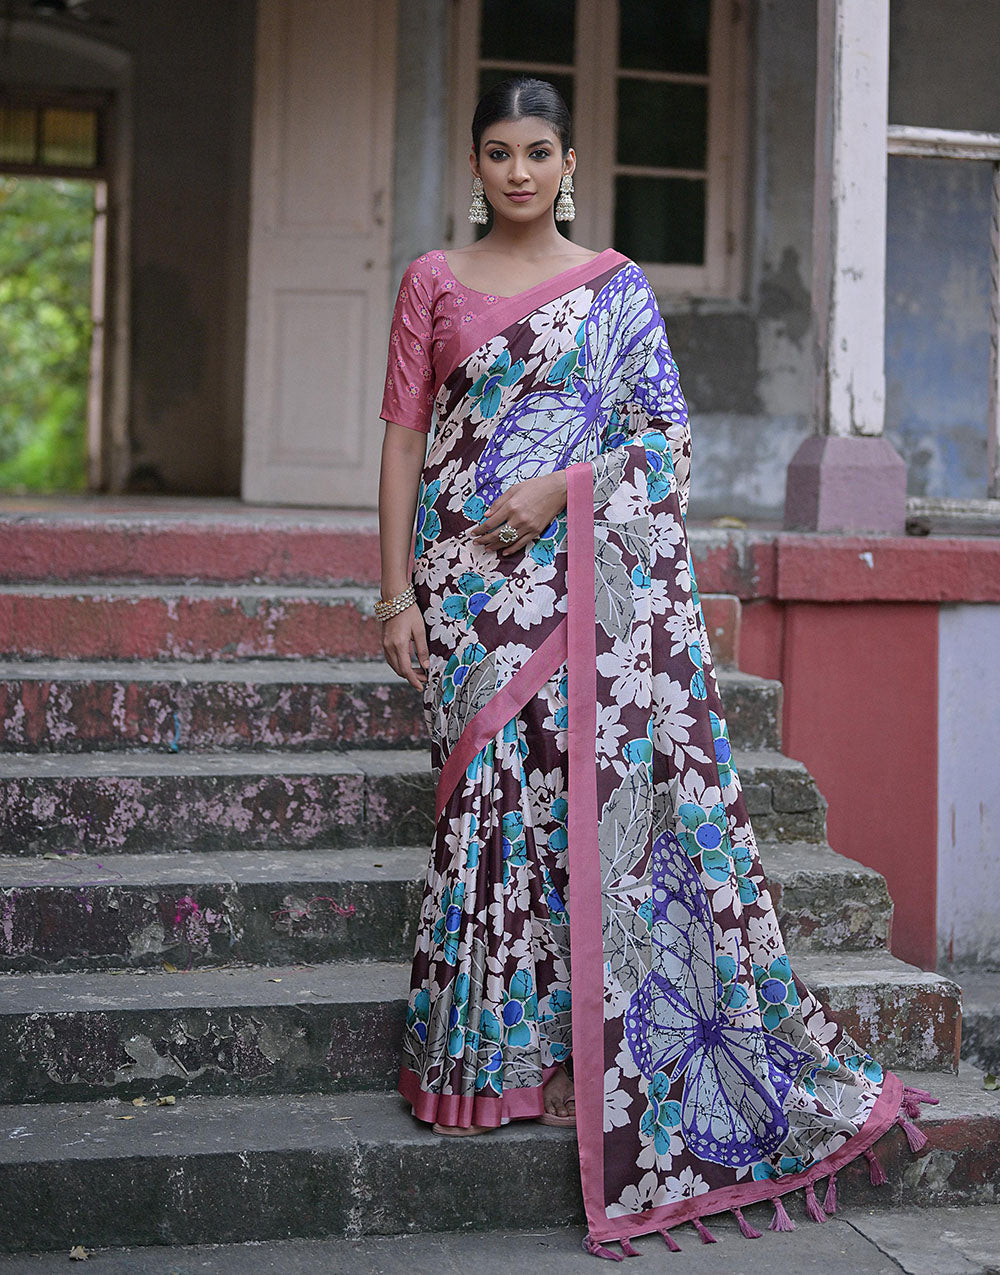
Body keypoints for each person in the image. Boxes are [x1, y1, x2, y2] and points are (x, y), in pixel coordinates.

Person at [376, 74, 933, 1259]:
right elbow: (401, 441)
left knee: (577, 800)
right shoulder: (432, 283)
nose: (517, 172)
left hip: (576, 576)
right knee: (480, 804)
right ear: (471, 168)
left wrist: (557, 493)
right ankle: (484, 1062)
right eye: (495, 153)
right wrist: (392, 595)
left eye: (536, 151)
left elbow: (662, 443)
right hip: (466, 583)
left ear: (569, 161)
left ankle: (583, 1050)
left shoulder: (616, 290)